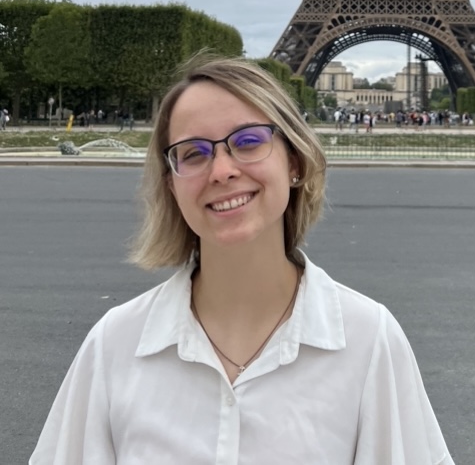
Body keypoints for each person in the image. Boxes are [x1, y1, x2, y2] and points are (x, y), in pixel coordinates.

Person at [29, 55, 455, 464]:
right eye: (193, 153)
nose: (221, 170)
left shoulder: (371, 342)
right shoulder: (112, 346)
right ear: (172, 186)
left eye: (248, 141)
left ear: (294, 161)